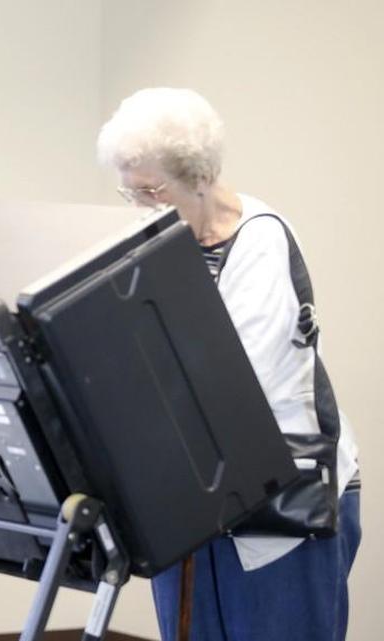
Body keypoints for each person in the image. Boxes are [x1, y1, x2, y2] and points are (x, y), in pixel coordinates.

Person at [97, 88, 361, 641]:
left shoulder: (260, 241)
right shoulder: (159, 244)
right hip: (194, 501)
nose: (140, 209)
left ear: (199, 176)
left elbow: (238, 390)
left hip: (284, 506)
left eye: (150, 191)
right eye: (129, 193)